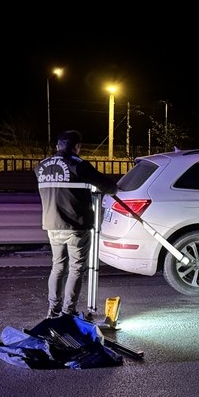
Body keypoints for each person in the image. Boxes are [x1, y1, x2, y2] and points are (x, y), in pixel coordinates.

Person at [35, 130, 118, 320]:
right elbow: (109, 187)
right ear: (77, 147)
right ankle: (67, 312)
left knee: (57, 267)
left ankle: (52, 311)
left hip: (51, 224)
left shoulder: (41, 166)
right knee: (76, 268)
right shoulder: (78, 165)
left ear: (57, 146)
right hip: (76, 226)